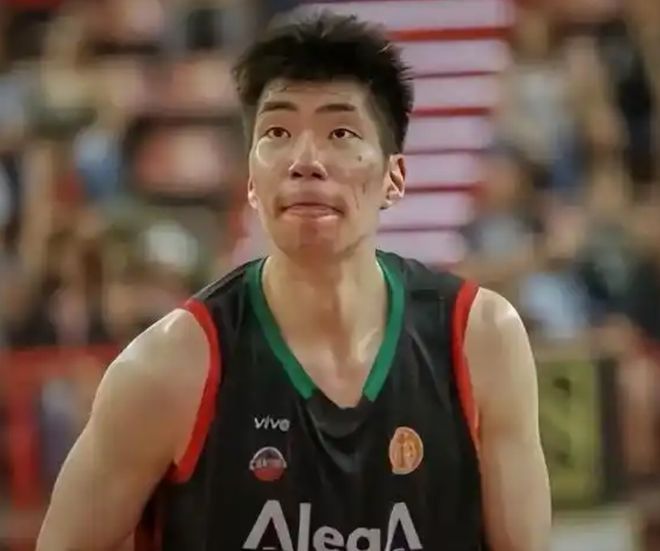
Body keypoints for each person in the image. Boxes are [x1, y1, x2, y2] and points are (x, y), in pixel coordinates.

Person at [37, 13, 551, 551]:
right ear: (251, 181)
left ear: (394, 178)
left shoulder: (480, 339)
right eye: (277, 133)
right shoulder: (169, 366)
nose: (306, 161)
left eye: (340, 133)